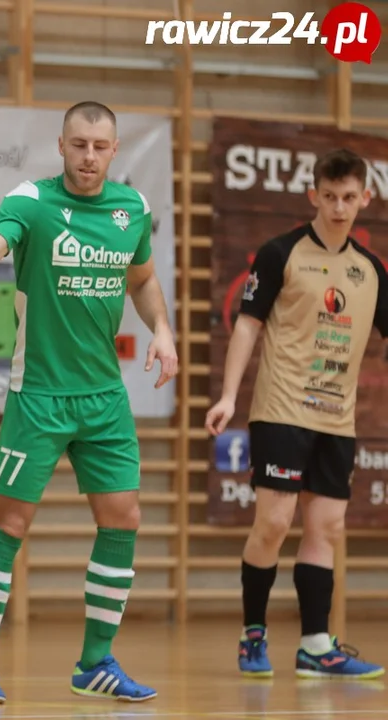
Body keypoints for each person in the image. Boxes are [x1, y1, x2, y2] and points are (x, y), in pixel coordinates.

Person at [0, 101, 178, 703]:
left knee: (123, 518)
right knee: (11, 523)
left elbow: (144, 279)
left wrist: (164, 329)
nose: (89, 157)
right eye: (79, 145)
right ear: (61, 144)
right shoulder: (31, 201)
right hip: (39, 398)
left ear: (115, 149)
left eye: (101, 147)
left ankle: (94, 663)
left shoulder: (132, 209)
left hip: (104, 399)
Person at [205, 148, 387, 681]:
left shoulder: (371, 271)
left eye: (349, 198)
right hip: (282, 410)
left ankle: (315, 645)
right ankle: (253, 634)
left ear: (365, 198)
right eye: (328, 197)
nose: (338, 207)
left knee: (325, 528)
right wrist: (228, 396)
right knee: (275, 522)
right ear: (313, 195)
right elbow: (247, 326)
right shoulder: (280, 252)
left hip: (338, 419)